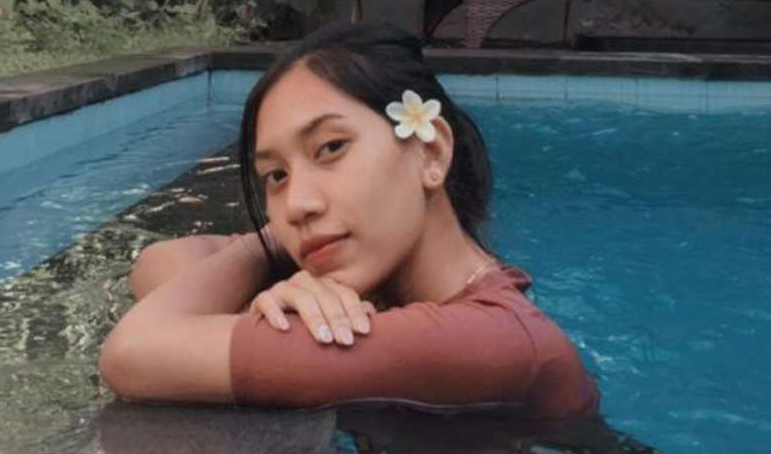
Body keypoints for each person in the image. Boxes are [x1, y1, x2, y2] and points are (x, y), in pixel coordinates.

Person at [98, 21, 599, 418]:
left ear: (430, 153)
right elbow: (157, 261)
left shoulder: (489, 340)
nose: (297, 205)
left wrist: (271, 262)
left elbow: (134, 352)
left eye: (331, 147)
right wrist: (275, 253)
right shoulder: (402, 288)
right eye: (276, 176)